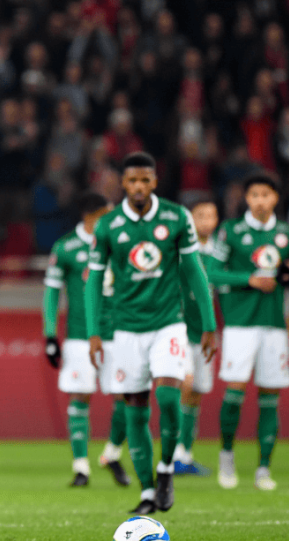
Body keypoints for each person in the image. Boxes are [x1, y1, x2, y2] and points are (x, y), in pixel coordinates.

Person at [85, 151, 217, 515]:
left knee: (170, 398)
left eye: (145, 180)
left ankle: (165, 469)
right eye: (132, 181)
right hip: (126, 331)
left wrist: (208, 323)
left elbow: (194, 272)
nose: (139, 187)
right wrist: (95, 331)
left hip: (168, 324)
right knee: (135, 409)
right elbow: (94, 281)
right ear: (123, 184)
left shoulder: (176, 217)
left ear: (154, 182)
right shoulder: (109, 226)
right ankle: (146, 491)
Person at [207, 175, 289, 491]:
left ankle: (263, 468)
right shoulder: (230, 231)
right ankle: (227, 455)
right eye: (254, 194)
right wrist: (249, 278)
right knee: (234, 392)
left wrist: (288, 280)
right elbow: (210, 270)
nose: (260, 200)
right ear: (246, 199)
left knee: (269, 397)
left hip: (274, 325)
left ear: (275, 198)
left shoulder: (287, 234)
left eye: (266, 194)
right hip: (239, 325)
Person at [42, 191, 130, 487]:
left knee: (127, 397)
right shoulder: (66, 247)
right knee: (80, 397)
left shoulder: (121, 243)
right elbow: (52, 292)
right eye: (108, 214)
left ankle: (112, 453)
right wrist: (50, 334)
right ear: (91, 216)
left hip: (117, 333)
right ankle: (81, 467)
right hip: (80, 336)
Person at [172, 198, 220, 475]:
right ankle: (174, 454)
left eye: (211, 214)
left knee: (196, 393)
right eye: (200, 215)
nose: (206, 221)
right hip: (180, 330)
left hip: (205, 333)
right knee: (186, 387)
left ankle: (185, 455)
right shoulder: (181, 251)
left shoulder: (219, 252)